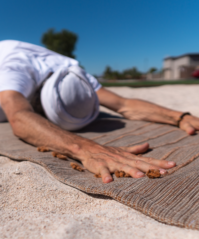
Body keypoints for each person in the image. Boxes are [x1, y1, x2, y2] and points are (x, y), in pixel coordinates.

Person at [1, 40, 199, 184]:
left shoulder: (72, 73)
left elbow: (123, 104)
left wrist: (179, 116)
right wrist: (84, 149)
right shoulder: (13, 70)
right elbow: (18, 116)